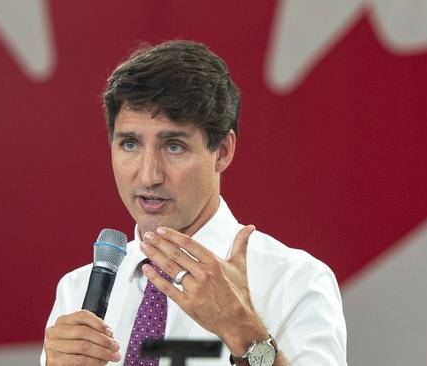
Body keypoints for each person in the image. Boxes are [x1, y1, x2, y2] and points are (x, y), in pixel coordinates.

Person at [41, 40, 347, 366]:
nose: (148, 176)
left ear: (223, 151)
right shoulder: (77, 291)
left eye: (173, 146)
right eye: (130, 144)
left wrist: (247, 337)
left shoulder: (295, 280)